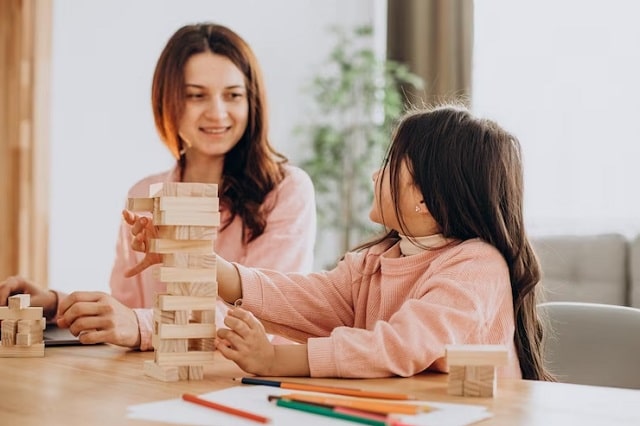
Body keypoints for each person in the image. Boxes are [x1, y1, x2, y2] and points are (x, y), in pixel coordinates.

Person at [128, 103, 554, 380]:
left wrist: (276, 362)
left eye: (389, 164)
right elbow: (306, 298)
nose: (375, 174)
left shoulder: (476, 266)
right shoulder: (375, 262)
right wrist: (200, 262)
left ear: (425, 199)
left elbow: (401, 346)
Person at [0, 22, 316, 350]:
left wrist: (138, 325)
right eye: (197, 95)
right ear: (168, 101)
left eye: (233, 95)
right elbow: (128, 309)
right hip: (147, 382)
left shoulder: (286, 191)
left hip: (240, 382)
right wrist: (56, 305)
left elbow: (258, 318)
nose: (218, 112)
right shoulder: (144, 194)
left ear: (252, 102)